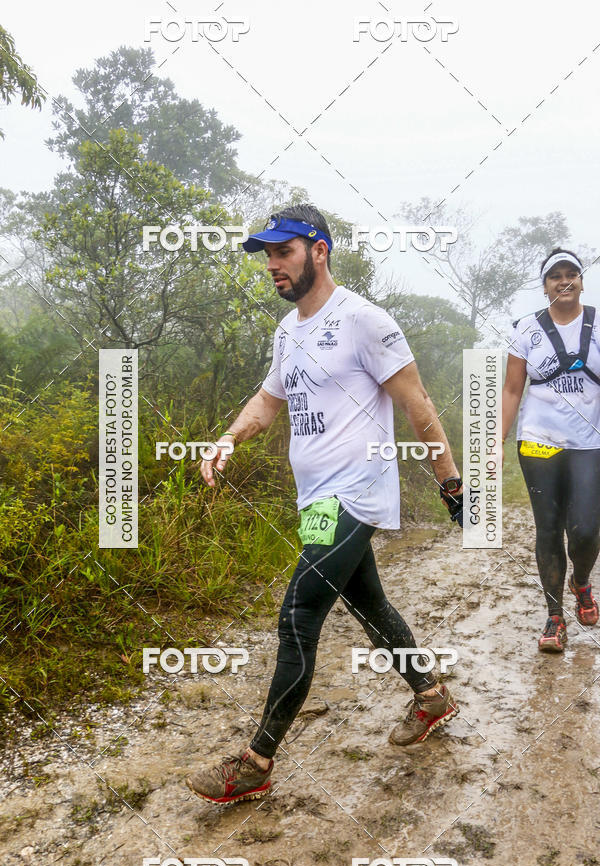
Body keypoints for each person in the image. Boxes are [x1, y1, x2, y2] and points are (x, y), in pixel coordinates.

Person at [186, 204, 463, 806]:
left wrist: (451, 482)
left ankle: (256, 761)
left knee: (297, 616)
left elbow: (418, 404)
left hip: (356, 492)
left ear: (318, 250)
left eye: (282, 252)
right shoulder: (289, 332)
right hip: (315, 499)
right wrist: (226, 440)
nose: (271, 266)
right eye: (266, 255)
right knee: (369, 603)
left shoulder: (365, 320)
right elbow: (266, 403)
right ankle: (431, 695)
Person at [502, 247, 600, 653]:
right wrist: (495, 444)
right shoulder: (526, 329)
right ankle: (554, 617)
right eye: (555, 276)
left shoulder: (597, 325)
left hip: (590, 442)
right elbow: (511, 389)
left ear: (580, 280)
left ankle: (581, 582)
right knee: (548, 527)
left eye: (570, 274)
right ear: (544, 287)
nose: (564, 281)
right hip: (538, 440)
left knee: (585, 529)